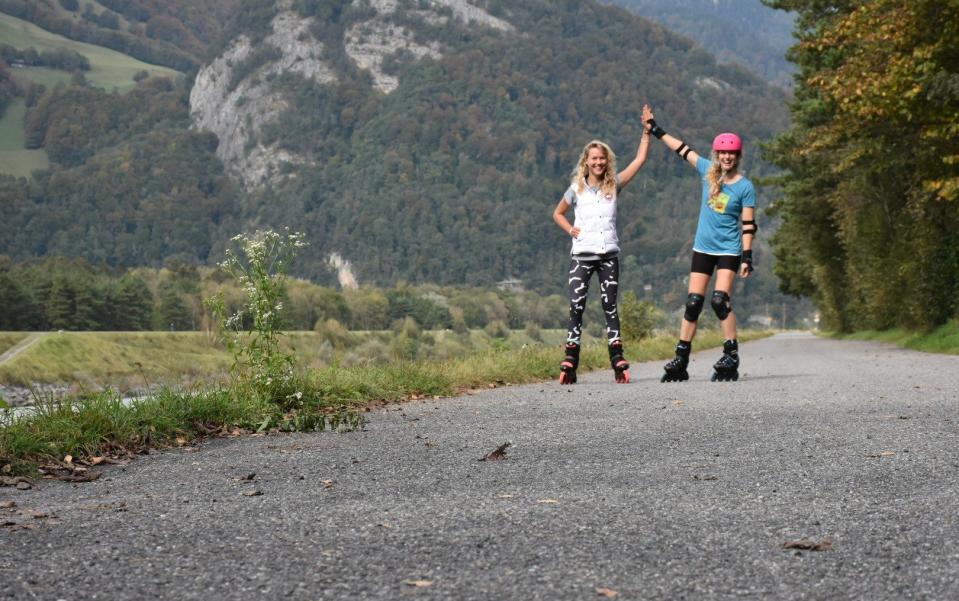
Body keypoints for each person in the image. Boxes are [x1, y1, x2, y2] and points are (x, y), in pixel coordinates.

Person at [644, 107, 757, 382]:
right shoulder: (708, 171)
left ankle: (731, 355)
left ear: (737, 156)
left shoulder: (745, 187)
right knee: (693, 303)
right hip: (703, 248)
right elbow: (682, 150)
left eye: (732, 153)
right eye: (722, 153)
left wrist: (747, 257)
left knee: (719, 301)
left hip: (729, 250)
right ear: (717, 155)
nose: (727, 157)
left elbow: (748, 225)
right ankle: (681, 358)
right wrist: (655, 129)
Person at [552, 107, 652, 384]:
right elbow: (557, 213)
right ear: (586, 161)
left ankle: (617, 357)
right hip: (582, 255)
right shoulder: (576, 189)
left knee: (610, 306)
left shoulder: (614, 185)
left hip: (608, 255)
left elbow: (640, 160)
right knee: (577, 306)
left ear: (607, 162)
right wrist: (570, 229)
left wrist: (646, 133)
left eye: (602, 159)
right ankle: (571, 358)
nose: (598, 162)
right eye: (594, 158)